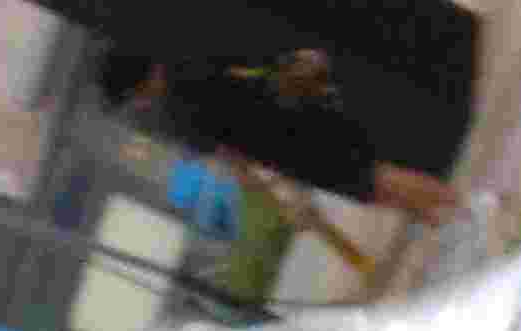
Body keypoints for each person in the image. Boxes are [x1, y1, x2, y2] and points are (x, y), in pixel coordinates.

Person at [101, 42, 465, 225]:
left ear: (136, 88)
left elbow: (233, 157)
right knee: (371, 186)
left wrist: (276, 196)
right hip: (297, 110)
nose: (138, 105)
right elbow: (252, 63)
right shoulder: (188, 55)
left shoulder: (179, 110)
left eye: (131, 99)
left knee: (375, 180)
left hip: (288, 145)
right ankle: (449, 218)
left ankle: (463, 207)